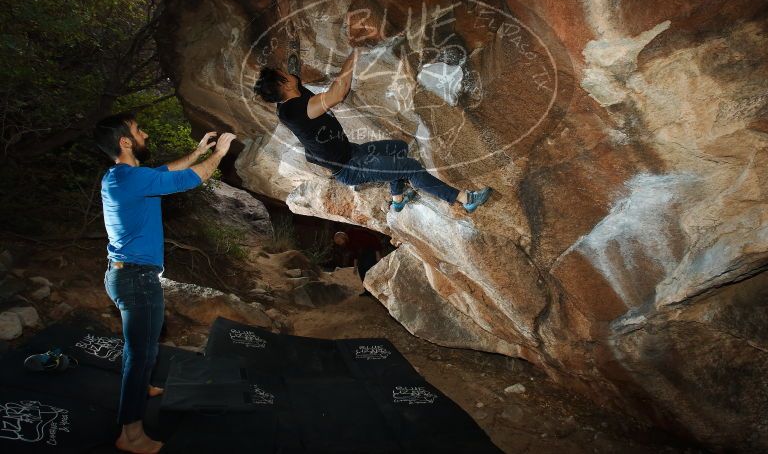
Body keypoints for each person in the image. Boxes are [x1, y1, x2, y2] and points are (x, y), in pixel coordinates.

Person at [93, 112, 236, 454]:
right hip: (136, 279)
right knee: (140, 354)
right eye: (138, 131)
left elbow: (169, 170)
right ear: (125, 142)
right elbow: (190, 180)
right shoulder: (131, 179)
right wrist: (218, 155)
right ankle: (130, 434)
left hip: (126, 274)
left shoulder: (124, 176)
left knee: (142, 346)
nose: (144, 134)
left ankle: (142, 389)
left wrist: (199, 149)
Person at [252, 48, 493, 213]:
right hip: (349, 167)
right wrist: (354, 54)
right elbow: (338, 93)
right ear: (284, 84)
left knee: (399, 148)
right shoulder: (295, 110)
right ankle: (464, 199)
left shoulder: (290, 93)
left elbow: (293, 65)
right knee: (411, 167)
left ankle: (398, 200)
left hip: (349, 152)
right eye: (283, 75)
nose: (288, 73)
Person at [333, 229, 384, 296]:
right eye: (338, 243)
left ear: (343, 237)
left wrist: (378, 255)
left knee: (368, 269)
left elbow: (373, 239)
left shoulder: (356, 233)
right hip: (362, 252)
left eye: (339, 241)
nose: (340, 244)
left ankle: (377, 290)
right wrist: (355, 267)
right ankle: (367, 291)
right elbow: (355, 253)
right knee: (361, 269)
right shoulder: (348, 243)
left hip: (371, 249)